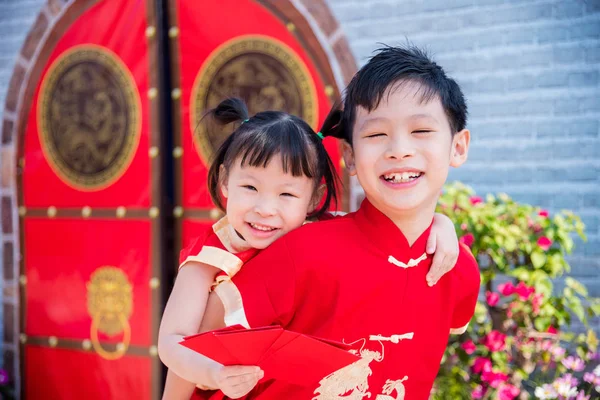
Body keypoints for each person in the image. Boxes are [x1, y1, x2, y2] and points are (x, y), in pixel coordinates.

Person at [198, 45, 481, 399]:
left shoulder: (458, 269)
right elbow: (203, 345)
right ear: (349, 154)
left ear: (458, 146)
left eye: (421, 131)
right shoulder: (302, 251)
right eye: (377, 135)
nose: (399, 150)